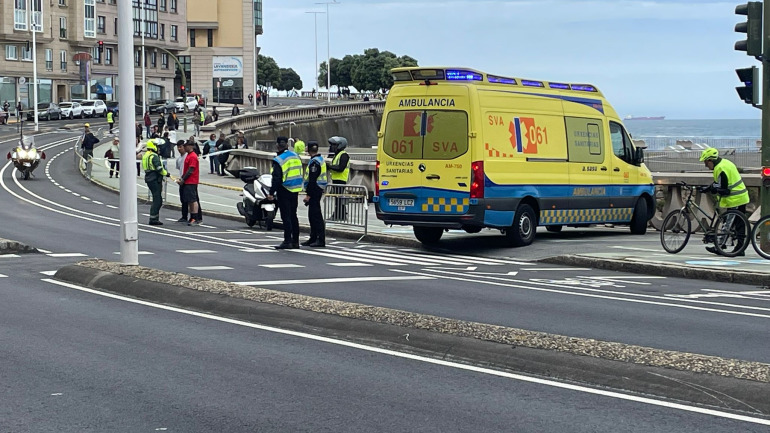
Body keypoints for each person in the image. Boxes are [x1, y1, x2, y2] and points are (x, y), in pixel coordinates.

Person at [699, 147, 750, 256]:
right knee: (739, 224)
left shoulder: (720, 168)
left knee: (728, 223)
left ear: (710, 161)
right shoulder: (725, 163)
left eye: (706, 163)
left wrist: (713, 190)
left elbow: (724, 189)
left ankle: (720, 246)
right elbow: (720, 183)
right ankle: (740, 249)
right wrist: (708, 188)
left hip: (734, 199)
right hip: (742, 195)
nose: (706, 166)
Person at [268, 136, 302, 249]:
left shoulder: (279, 160)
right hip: (295, 189)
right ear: (287, 145)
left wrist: (271, 193)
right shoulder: (296, 156)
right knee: (293, 216)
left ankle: (287, 241)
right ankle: (295, 241)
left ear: (277, 145)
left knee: (286, 216)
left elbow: (276, 178)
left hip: (284, 189)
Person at [301, 141, 328, 247]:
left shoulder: (314, 162)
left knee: (316, 215)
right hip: (318, 188)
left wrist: (308, 195)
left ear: (308, 148)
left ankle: (320, 239)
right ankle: (313, 237)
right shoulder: (319, 159)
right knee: (312, 215)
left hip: (315, 189)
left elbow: (312, 180)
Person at [142, 140, 168, 226]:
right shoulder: (154, 156)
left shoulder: (146, 155)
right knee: (157, 199)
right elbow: (159, 168)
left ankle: (154, 218)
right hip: (155, 179)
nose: (159, 148)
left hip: (149, 178)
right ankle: (153, 218)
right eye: (158, 146)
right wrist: (166, 173)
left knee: (156, 198)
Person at [177, 140, 202, 226]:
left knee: (193, 200)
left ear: (191, 146)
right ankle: (192, 216)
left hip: (191, 181)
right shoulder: (189, 155)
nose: (184, 147)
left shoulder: (192, 156)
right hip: (188, 181)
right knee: (189, 200)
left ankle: (195, 217)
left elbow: (190, 170)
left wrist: (183, 179)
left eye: (186, 146)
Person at [327, 136, 350, 220]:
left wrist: (330, 167)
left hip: (341, 180)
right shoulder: (337, 155)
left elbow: (341, 168)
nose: (332, 147)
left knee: (339, 198)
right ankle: (341, 215)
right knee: (338, 198)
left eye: (334, 145)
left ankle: (339, 215)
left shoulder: (344, 155)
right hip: (336, 179)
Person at [174, 140, 190, 223]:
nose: (179, 149)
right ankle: (184, 216)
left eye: (181, 147)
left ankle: (193, 216)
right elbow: (179, 169)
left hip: (188, 181)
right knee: (183, 199)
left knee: (189, 199)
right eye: (178, 147)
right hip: (181, 180)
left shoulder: (187, 156)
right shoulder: (178, 159)